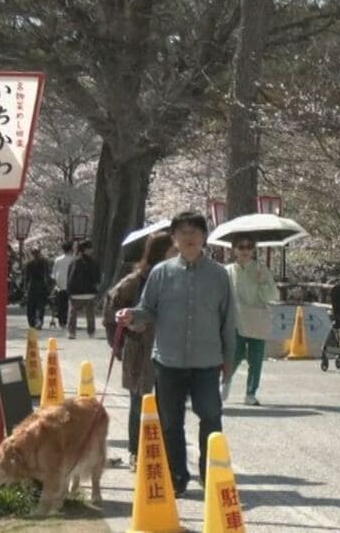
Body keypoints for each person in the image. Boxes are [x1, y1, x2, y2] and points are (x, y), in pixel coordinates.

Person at [116, 211, 235, 496]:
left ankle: (210, 475)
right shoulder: (161, 273)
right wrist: (130, 316)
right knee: (171, 422)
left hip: (207, 361)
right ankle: (177, 476)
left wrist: (228, 363)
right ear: (174, 238)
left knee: (211, 417)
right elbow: (147, 311)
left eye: (195, 231)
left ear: (204, 237)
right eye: (182, 232)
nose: (189, 237)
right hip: (168, 361)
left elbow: (228, 321)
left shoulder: (219, 275)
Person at [107, 232, 176, 469]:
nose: (176, 255)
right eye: (172, 251)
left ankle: (163, 452)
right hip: (140, 351)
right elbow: (112, 305)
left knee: (168, 404)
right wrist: (126, 332)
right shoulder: (136, 281)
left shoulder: (177, 277)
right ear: (159, 252)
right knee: (140, 402)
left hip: (169, 349)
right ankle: (136, 451)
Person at [222, 234, 279, 406]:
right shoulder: (227, 271)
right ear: (234, 250)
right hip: (235, 321)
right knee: (233, 356)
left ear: (254, 249)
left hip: (256, 320)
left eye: (249, 247)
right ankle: (224, 383)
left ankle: (250, 393)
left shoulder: (261, 269)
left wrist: (263, 283)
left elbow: (273, 296)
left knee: (255, 359)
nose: (245, 250)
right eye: (241, 247)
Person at [67, 241, 102, 339]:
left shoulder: (74, 261)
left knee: (72, 313)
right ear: (85, 249)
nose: (92, 250)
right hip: (89, 292)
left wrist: (69, 290)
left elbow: (71, 277)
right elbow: (97, 278)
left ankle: (71, 332)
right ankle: (91, 332)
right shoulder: (93, 262)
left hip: (76, 292)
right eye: (90, 248)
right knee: (90, 313)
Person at [22, 248, 51, 329]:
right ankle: (39, 321)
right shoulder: (44, 262)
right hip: (42, 286)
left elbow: (26, 277)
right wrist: (48, 287)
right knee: (41, 306)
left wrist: (25, 289)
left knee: (31, 306)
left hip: (32, 286)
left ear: (32, 254)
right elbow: (47, 275)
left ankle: (32, 322)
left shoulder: (29, 263)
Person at [50, 241, 74, 328]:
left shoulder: (58, 260)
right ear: (71, 249)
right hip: (71, 284)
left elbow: (53, 273)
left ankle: (61, 321)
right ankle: (68, 321)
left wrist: (56, 282)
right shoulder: (73, 260)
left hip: (60, 284)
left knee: (61, 304)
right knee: (70, 304)